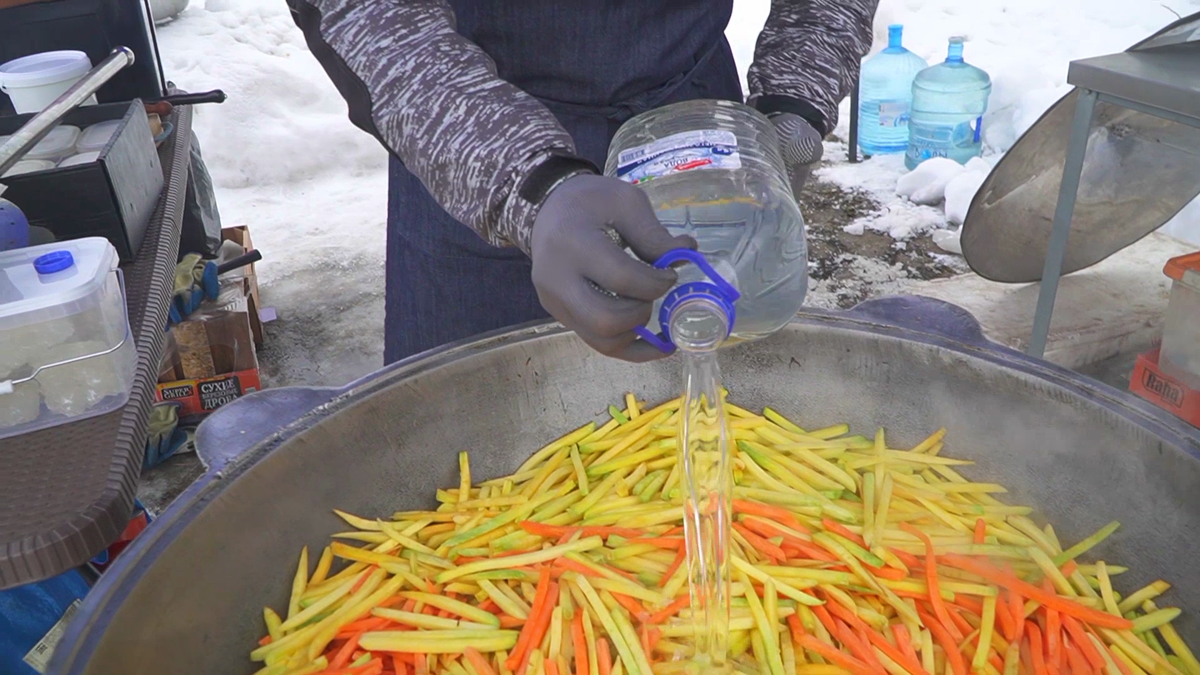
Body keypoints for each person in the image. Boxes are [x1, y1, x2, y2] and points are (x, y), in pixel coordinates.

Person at [286, 0, 878, 364]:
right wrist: (526, 180)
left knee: (695, 408)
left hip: (687, 113)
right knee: (473, 443)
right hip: (469, 136)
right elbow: (369, 12)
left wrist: (796, 96)